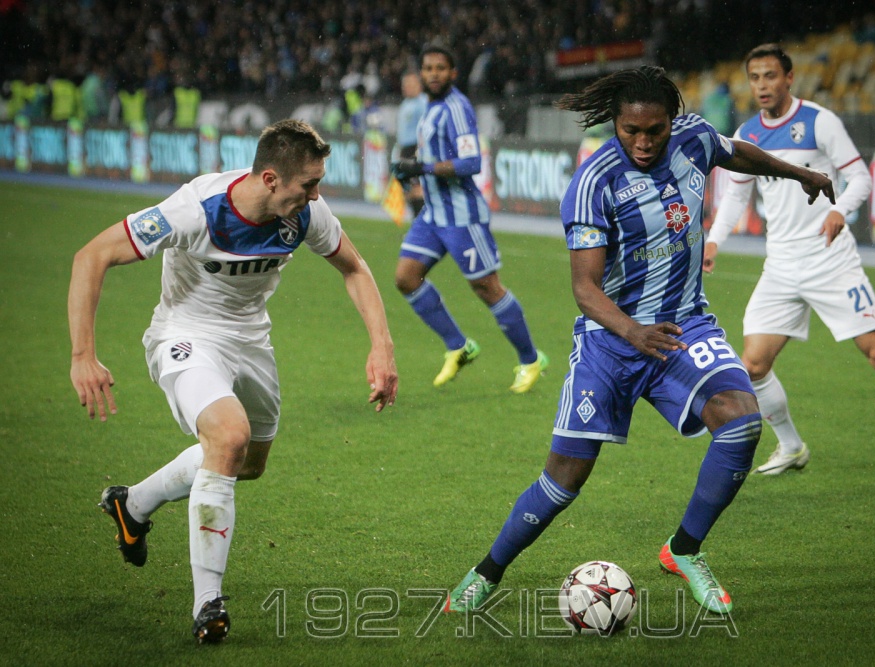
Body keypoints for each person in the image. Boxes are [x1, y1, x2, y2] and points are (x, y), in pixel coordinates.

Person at [444, 65, 836, 616]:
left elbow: (738, 153)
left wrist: (798, 174)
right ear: (615, 123)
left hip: (682, 326)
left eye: (656, 130)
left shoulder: (695, 139)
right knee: (564, 480)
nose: (645, 142)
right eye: (632, 131)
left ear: (673, 121)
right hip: (610, 342)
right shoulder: (594, 183)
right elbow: (585, 289)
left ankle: (684, 550)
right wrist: (633, 332)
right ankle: (486, 572)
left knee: (741, 422)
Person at [69, 119, 398, 643]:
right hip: (185, 336)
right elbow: (93, 255)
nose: (316, 195)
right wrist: (83, 355)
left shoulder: (305, 213)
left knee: (248, 464)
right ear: (269, 178)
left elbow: (354, 267)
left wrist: (382, 347)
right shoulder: (195, 209)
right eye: (308, 184)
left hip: (251, 343)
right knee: (228, 437)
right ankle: (208, 603)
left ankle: (132, 504)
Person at [704, 44, 875, 484]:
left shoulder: (820, 122)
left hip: (831, 262)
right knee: (753, 366)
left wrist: (840, 211)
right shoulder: (747, 133)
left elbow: (860, 177)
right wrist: (714, 241)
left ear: (789, 78)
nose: (762, 85)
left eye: (770, 76)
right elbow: (737, 195)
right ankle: (792, 446)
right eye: (755, 77)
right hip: (781, 266)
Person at [391, 46, 547, 393]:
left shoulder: (457, 108)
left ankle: (530, 360)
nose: (433, 73)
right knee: (406, 277)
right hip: (434, 213)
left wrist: (423, 167)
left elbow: (470, 162)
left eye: (440, 68)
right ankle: (458, 346)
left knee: (487, 288)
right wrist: (410, 171)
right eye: (428, 68)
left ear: (453, 73)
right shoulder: (431, 107)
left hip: (462, 216)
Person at [394, 71, 428, 216]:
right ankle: (417, 220)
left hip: (415, 148)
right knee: (407, 189)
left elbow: (426, 129)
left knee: (417, 188)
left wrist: (420, 151)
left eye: (410, 84)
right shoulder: (405, 103)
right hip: (405, 149)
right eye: (405, 84)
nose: (406, 87)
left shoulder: (423, 102)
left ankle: (420, 221)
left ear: (419, 85)